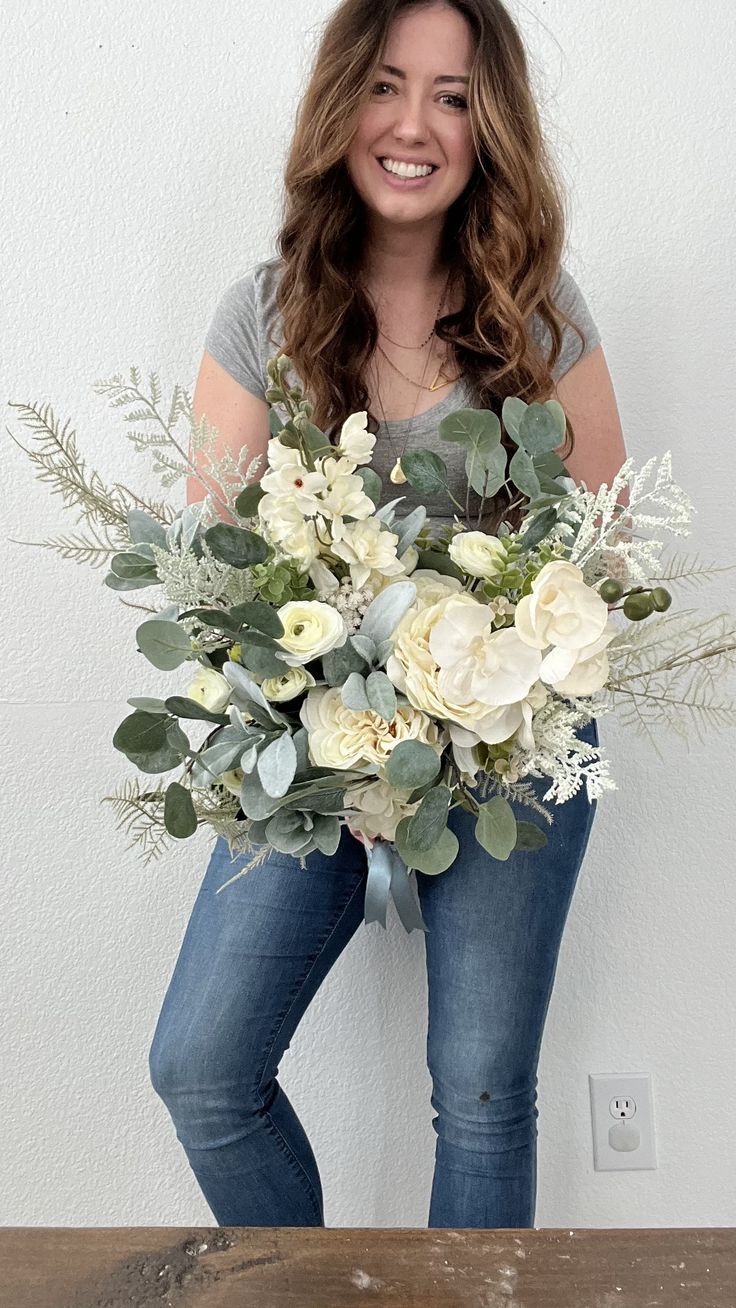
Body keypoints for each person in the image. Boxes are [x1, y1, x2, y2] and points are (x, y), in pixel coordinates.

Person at [148, 0, 627, 1229]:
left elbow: (601, 562)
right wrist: (347, 762)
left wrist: (478, 712)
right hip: (312, 761)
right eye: (388, 86)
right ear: (340, 104)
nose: (415, 126)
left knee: (480, 1095)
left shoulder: (538, 311)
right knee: (202, 1069)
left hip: (513, 757)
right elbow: (220, 586)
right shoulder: (261, 313)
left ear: (491, 127)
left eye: (456, 97)